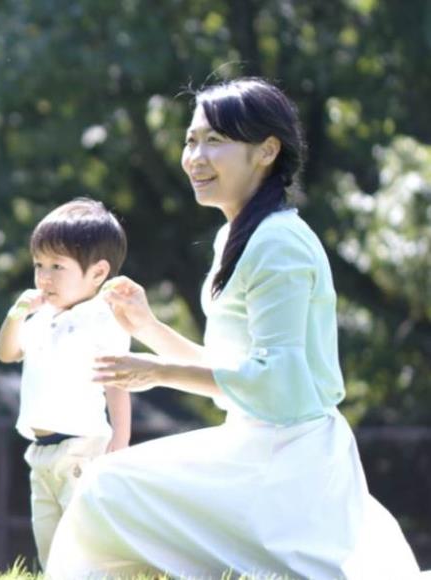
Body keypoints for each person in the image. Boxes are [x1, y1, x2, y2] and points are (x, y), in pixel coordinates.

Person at [44, 78, 420, 578]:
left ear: (267, 151)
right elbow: (236, 369)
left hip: (285, 462)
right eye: (191, 140)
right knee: (107, 487)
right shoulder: (238, 236)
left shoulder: (278, 243)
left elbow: (274, 381)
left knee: (105, 487)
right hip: (256, 446)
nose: (196, 156)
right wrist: (148, 327)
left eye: (215, 141)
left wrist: (156, 370)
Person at [0, 198, 132, 571]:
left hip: (81, 450)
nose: (45, 276)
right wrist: (17, 313)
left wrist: (119, 441)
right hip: (40, 453)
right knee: (49, 549)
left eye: (58, 266)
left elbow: (118, 381)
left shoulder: (100, 318)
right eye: (39, 265)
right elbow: (8, 352)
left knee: (84, 547)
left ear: (98, 272)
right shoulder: (41, 317)